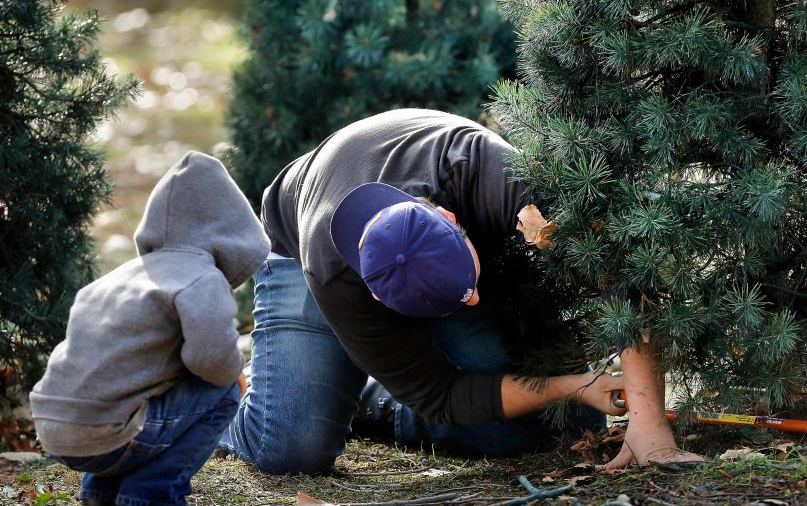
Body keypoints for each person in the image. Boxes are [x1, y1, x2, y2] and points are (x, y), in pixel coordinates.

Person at [220, 108, 701, 475]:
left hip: (432, 194)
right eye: (459, 298)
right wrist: (575, 383)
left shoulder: (487, 173)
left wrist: (648, 420)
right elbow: (440, 394)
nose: (472, 300)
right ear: (378, 299)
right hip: (294, 240)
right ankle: (210, 399)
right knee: (291, 448)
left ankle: (371, 399)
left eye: (468, 288)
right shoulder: (334, 276)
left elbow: (617, 265)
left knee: (560, 427)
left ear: (451, 219)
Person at [29, 152, 270, 506]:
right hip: (109, 436)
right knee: (224, 390)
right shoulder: (199, 278)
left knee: (126, 390)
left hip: (56, 429)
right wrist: (236, 372)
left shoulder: (118, 278)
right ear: (232, 231)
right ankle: (152, 501)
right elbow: (212, 360)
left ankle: (100, 499)